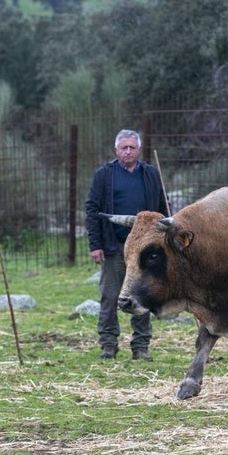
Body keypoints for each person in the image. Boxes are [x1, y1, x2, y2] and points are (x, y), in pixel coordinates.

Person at [85, 129, 170, 361]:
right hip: (114, 246)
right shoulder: (104, 174)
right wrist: (95, 244)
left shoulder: (151, 174)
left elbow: (164, 207)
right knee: (111, 296)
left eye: (132, 147)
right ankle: (108, 345)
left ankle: (141, 346)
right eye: (124, 147)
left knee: (142, 295)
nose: (128, 151)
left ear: (139, 149)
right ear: (116, 150)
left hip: (143, 248)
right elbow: (92, 210)